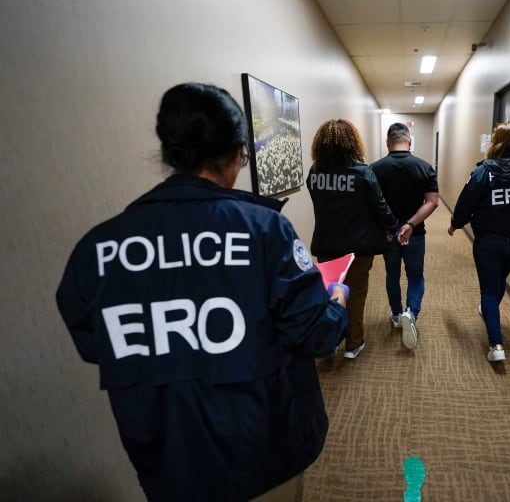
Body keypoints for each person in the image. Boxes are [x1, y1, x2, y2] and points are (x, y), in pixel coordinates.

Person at [55, 82, 349, 502]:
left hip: (167, 454)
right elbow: (315, 333)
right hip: (260, 446)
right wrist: (336, 299)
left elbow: (94, 343)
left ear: (170, 153)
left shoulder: (97, 250)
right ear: (236, 155)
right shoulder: (263, 230)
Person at [447, 122, 510, 362]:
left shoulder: (484, 172)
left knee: (489, 289)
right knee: (498, 281)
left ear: (496, 143)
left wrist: (456, 222)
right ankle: (489, 310)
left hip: (488, 242)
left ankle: (496, 346)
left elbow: (467, 201)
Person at [307, 119, 399, 359]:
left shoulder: (314, 173)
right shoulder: (362, 173)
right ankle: (353, 344)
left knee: (332, 294)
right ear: (352, 143)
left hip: (326, 245)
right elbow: (381, 207)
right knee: (356, 295)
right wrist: (393, 226)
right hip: (358, 247)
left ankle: (329, 343)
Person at [370, 122, 439, 350]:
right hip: (415, 234)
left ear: (388, 143)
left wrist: (387, 228)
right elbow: (432, 202)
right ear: (409, 142)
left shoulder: (374, 169)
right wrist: (410, 224)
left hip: (388, 236)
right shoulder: (425, 167)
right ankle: (412, 312)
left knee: (392, 274)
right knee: (416, 276)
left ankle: (398, 315)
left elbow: (371, 206)